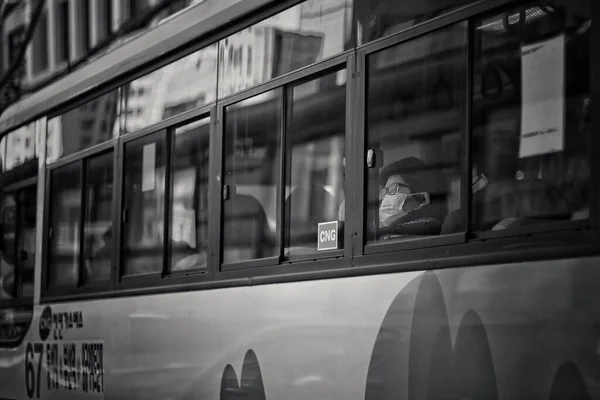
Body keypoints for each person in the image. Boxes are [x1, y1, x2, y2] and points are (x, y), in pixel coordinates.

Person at [376, 157, 447, 241]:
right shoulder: (387, 237)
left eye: (393, 189)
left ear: (423, 199)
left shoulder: (426, 236)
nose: (386, 198)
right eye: (385, 192)